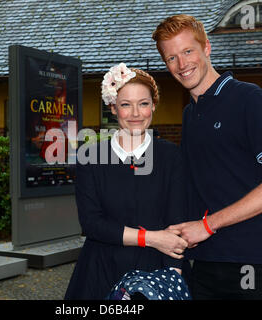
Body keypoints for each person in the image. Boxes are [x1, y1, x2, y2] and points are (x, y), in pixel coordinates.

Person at [152, 14, 262, 300]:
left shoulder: (247, 98)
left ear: (207, 48)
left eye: (188, 51)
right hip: (205, 262)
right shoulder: (190, 114)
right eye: (171, 58)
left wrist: (207, 225)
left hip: (250, 264)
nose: (182, 65)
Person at [65, 63, 189, 300]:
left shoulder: (171, 156)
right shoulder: (90, 157)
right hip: (101, 271)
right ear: (112, 107)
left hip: (157, 268)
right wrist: (151, 238)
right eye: (125, 105)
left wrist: (172, 277)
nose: (135, 113)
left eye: (143, 104)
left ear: (153, 106)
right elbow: (91, 224)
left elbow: (176, 222)